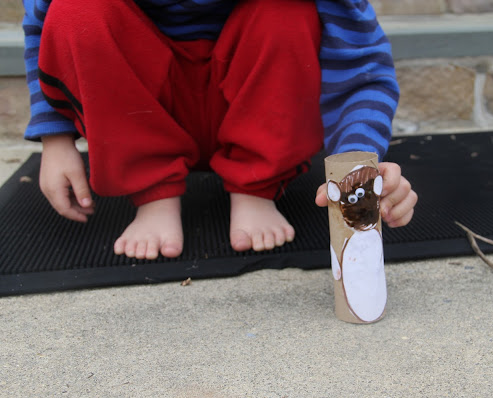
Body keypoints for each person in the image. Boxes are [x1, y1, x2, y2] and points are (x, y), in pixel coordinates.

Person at [22, 0, 418, 260]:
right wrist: (55, 137)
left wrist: (358, 164)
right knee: (78, 7)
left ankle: (255, 187)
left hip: (255, 106)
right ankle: (153, 191)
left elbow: (363, 70)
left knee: (285, 9)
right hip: (141, 110)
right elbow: (46, 26)